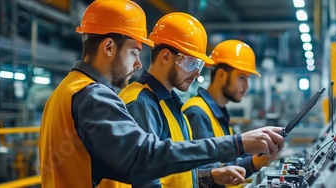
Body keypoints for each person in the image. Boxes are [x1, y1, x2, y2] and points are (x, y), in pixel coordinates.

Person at [38, 1, 284, 188]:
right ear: (109, 47)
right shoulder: (94, 96)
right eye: (134, 52)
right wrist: (238, 144)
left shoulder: (69, 89)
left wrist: (208, 175)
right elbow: (144, 159)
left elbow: (131, 166)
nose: (137, 64)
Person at [101, 12, 247, 188]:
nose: (197, 73)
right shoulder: (141, 103)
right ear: (165, 57)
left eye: (199, 65)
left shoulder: (171, 105)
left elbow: (173, 172)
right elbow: (145, 180)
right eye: (191, 63)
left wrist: (209, 175)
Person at [183, 40, 274, 186]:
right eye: (242, 78)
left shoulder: (217, 113)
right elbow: (205, 176)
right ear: (220, 75)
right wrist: (253, 163)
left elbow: (224, 163)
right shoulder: (198, 113)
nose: (246, 86)